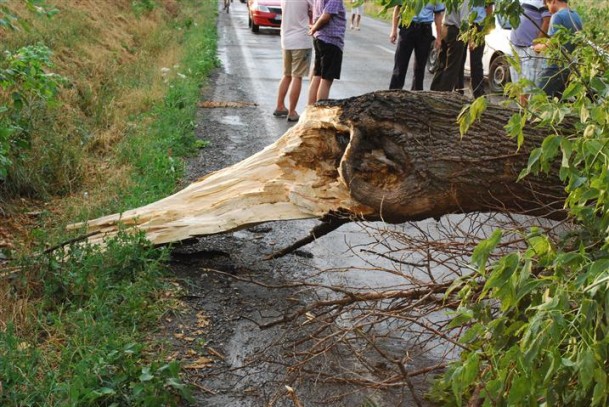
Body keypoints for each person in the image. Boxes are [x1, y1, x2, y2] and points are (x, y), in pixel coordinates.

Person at [388, 2, 445, 91]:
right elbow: (398, 8)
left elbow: (438, 15)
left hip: (425, 30)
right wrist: (393, 30)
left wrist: (438, 37)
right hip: (408, 26)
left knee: (420, 67)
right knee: (400, 63)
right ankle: (393, 93)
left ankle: (416, 95)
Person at [274, 0, 314, 123]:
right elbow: (314, 13)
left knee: (287, 75)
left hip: (286, 39)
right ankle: (292, 112)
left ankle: (280, 106)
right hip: (301, 39)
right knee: (297, 76)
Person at [533, 0, 582, 98]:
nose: (547, 8)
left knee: (537, 98)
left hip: (554, 67)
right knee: (556, 101)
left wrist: (537, 47)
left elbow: (553, 44)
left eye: (547, 4)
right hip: (570, 66)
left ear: (553, 1)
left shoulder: (557, 16)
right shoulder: (576, 15)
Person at [509, 0, 551, 104]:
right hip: (515, 46)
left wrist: (537, 43)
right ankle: (522, 112)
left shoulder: (541, 2)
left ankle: (527, 115)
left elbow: (547, 20)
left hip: (530, 49)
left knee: (528, 86)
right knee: (517, 84)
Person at [308, 0, 347, 104]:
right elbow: (326, 16)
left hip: (319, 38)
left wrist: (314, 28)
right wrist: (314, 29)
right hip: (331, 40)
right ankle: (319, 113)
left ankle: (310, 110)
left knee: (317, 76)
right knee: (326, 80)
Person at [430, 0, 471, 92]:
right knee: (452, 68)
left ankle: (434, 90)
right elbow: (464, 20)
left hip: (445, 27)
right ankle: (444, 94)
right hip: (456, 31)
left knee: (442, 64)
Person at [458, 3, 493, 98]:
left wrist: (486, 28)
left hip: (478, 26)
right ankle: (458, 92)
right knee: (459, 59)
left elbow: (489, 7)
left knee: (476, 62)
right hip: (463, 24)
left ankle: (478, 94)